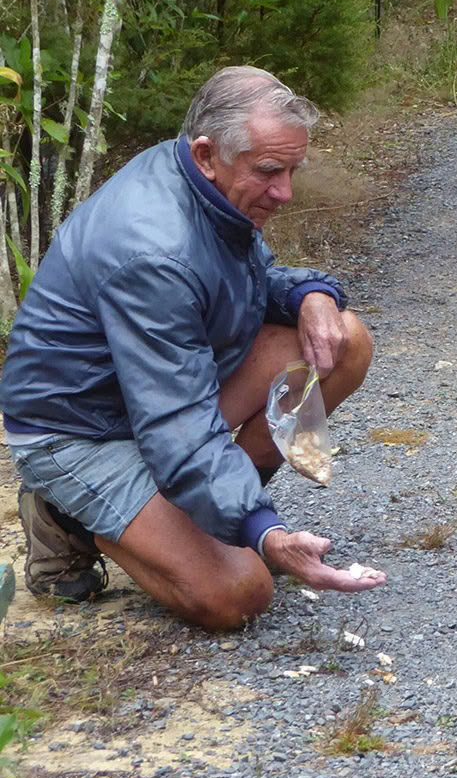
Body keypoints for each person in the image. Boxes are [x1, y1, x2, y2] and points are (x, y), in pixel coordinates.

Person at [0, 66, 386, 630]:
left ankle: (211, 515)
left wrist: (309, 293)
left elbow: (250, 278)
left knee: (342, 340)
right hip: (81, 428)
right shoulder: (153, 247)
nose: (286, 192)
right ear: (207, 154)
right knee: (239, 594)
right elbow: (175, 423)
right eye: (271, 172)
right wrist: (265, 534)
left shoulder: (200, 175)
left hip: (151, 394)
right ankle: (70, 513)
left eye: (293, 170)